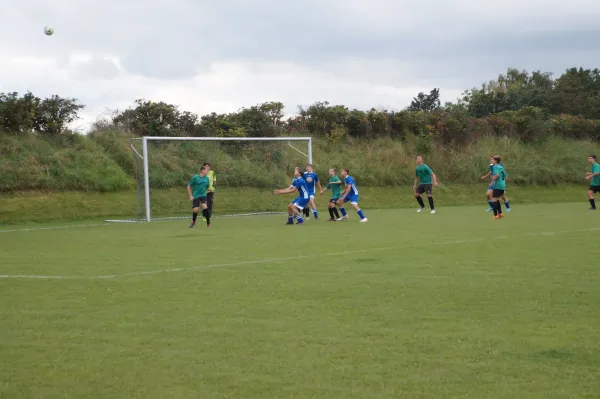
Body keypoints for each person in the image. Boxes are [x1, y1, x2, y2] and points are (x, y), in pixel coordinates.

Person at [489, 155, 507, 219]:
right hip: (503, 185)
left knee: (493, 199)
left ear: (495, 161)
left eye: (493, 160)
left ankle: (495, 215)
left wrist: (492, 182)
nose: (492, 161)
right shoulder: (501, 167)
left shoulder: (495, 167)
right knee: (496, 199)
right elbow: (505, 176)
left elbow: (496, 175)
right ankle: (500, 213)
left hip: (498, 185)